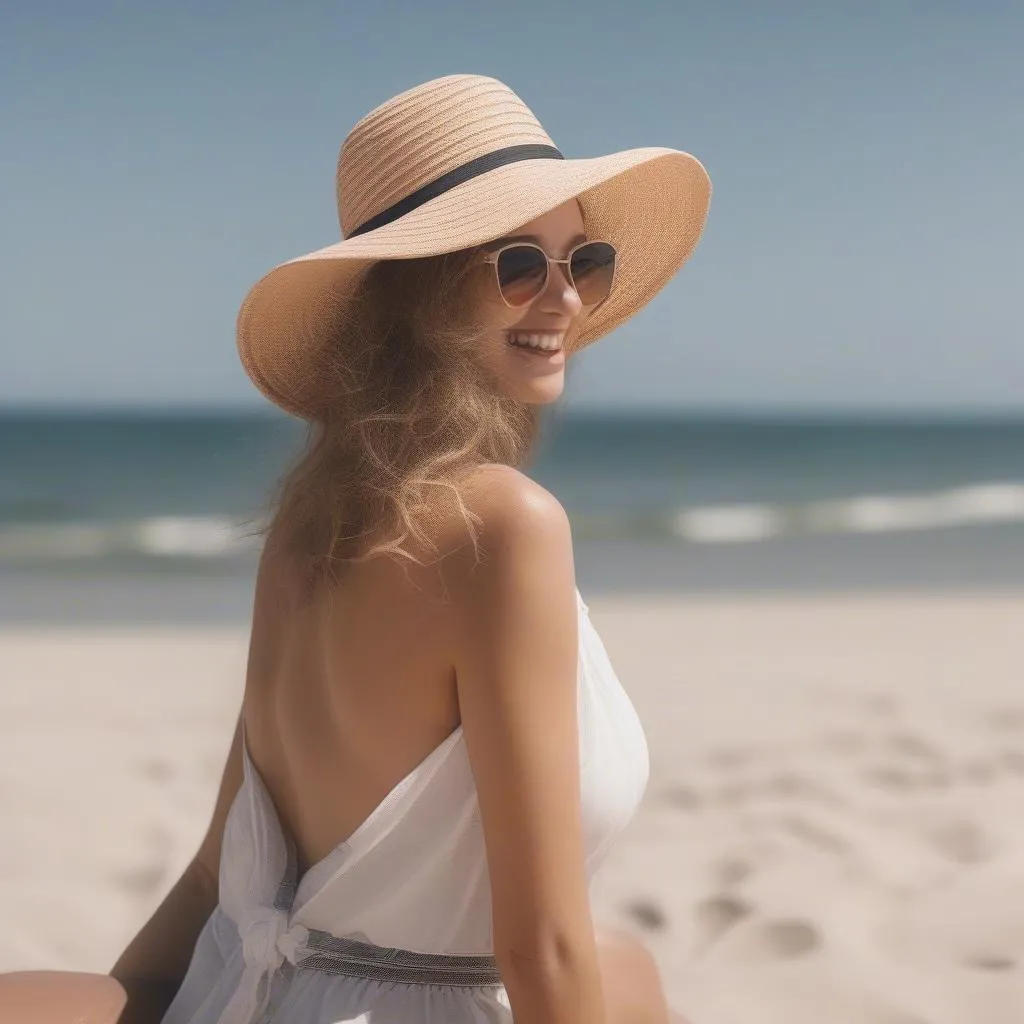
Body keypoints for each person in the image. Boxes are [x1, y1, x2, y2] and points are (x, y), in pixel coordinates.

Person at [100, 73, 710, 1024]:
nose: (565, 299)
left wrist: (145, 1002)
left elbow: (219, 873)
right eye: (520, 263)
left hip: (257, 989)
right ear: (418, 295)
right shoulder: (505, 527)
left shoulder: (308, 526)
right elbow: (538, 950)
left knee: (625, 961)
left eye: (582, 260)